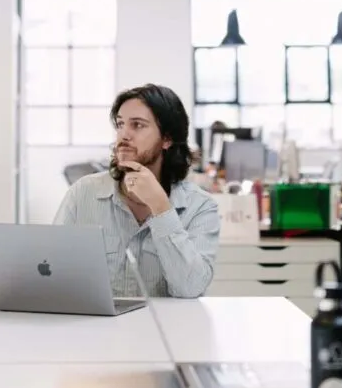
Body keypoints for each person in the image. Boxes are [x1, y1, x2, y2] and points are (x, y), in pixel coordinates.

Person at [54, 83, 219, 298]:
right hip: (99, 328)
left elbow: (191, 289)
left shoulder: (200, 206)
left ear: (167, 138)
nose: (124, 135)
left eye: (137, 125)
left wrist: (161, 208)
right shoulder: (83, 193)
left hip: (166, 329)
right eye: (120, 124)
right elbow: (53, 274)